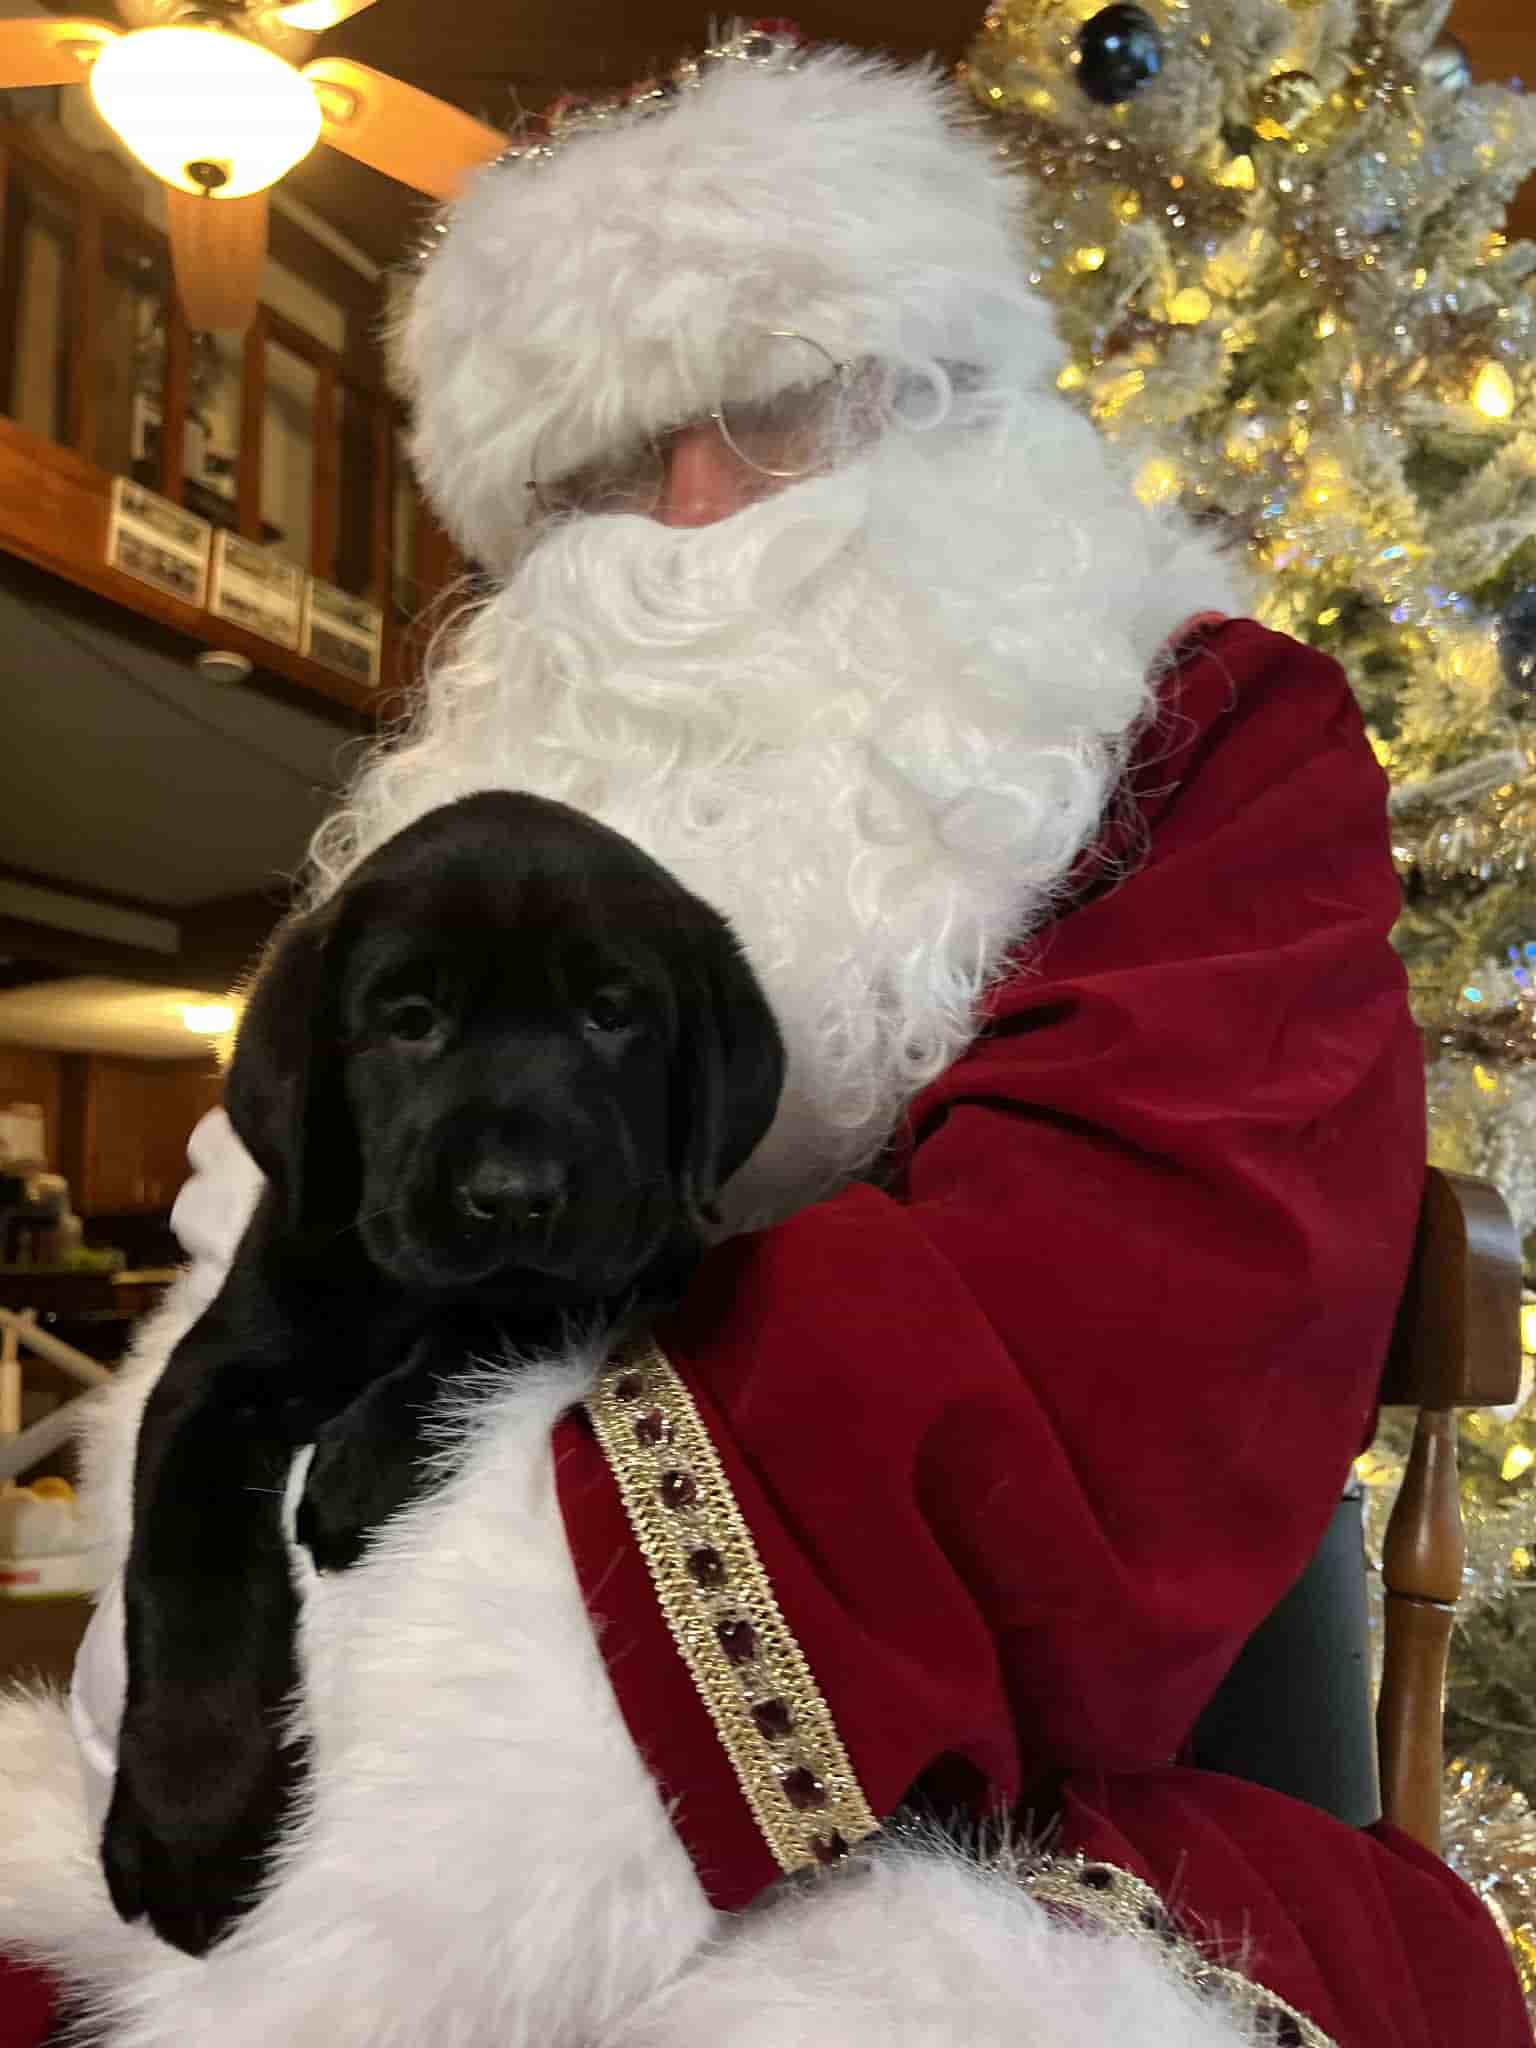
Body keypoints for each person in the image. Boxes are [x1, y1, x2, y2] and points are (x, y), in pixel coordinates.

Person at [0, 26, 1526, 2047]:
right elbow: (251, 1302)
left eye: (787, 414)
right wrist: (196, 1655)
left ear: (960, 419)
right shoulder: (449, 863)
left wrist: (419, 1820)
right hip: (316, 1699)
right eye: (613, 470)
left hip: (977, 1785)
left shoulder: (1195, 740)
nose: (702, 517)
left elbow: (1113, 1318)